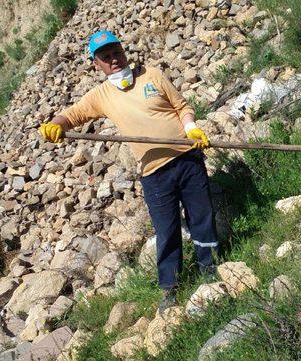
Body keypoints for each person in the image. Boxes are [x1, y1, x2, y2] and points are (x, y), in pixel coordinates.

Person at [38, 30, 219, 312]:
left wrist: (191, 128)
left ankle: (210, 269)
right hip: (154, 174)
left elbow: (182, 106)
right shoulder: (101, 96)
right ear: (96, 64)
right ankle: (170, 289)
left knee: (202, 217)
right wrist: (56, 125)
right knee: (167, 231)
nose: (113, 60)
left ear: (124, 52)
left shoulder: (152, 75)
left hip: (188, 158)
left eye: (116, 53)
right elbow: (73, 114)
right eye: (105, 57)